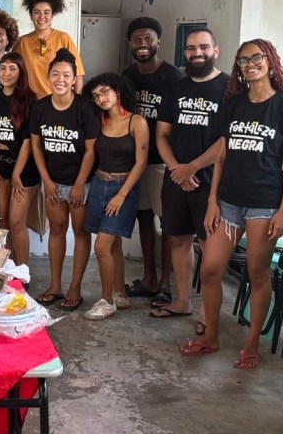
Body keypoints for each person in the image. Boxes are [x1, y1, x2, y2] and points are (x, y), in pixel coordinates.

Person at [180, 39, 283, 371]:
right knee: (209, 269)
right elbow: (221, 155)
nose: (249, 64)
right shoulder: (234, 104)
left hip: (265, 205)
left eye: (256, 58)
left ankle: (251, 344)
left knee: (257, 273)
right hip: (229, 204)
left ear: (269, 60)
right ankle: (211, 337)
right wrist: (212, 201)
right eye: (243, 60)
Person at [151, 28, 228, 324]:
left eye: (204, 47)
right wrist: (177, 170)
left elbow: (226, 141)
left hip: (212, 181)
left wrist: (192, 167)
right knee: (179, 240)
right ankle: (182, 301)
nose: (197, 52)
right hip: (176, 179)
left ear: (215, 51)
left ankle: (208, 315)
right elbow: (162, 136)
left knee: (210, 246)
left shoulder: (230, 89)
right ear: (184, 53)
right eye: (191, 48)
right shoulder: (176, 89)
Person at [121, 17, 184, 306]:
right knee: (143, 218)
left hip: (163, 161)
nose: (142, 44)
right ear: (130, 43)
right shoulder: (127, 76)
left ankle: (165, 284)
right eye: (137, 39)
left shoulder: (174, 77)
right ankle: (148, 278)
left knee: (167, 222)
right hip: (137, 161)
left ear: (158, 41)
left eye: (148, 39)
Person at [29, 49, 99, 312]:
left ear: (74, 80)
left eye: (66, 75)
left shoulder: (85, 108)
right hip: (52, 182)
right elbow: (36, 146)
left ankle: (75, 288)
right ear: (48, 77)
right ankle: (55, 286)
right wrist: (46, 181)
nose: (60, 79)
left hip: (80, 182)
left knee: (81, 232)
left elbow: (91, 150)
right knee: (57, 230)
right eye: (55, 74)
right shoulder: (40, 107)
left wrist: (80, 183)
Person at [81, 73, 148, 321]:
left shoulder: (137, 122)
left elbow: (140, 163)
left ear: (118, 91)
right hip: (99, 184)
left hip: (124, 187)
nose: (101, 98)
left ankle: (106, 301)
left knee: (101, 246)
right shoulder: (100, 122)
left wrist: (121, 195)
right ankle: (120, 294)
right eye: (96, 96)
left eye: (105, 92)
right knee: (114, 244)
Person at [0, 53, 39, 267]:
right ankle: (7, 267)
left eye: (12, 68)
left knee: (16, 222)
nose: (7, 73)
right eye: (3, 68)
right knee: (2, 221)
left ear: (21, 72)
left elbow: (29, 141)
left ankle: (22, 272)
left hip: (24, 172)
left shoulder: (29, 99)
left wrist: (16, 174)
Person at [13, 0, 85, 98]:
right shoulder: (23, 42)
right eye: (37, 12)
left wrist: (76, 102)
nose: (42, 16)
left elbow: (78, 74)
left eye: (46, 12)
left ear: (52, 16)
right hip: (29, 103)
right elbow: (14, 73)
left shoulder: (63, 38)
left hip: (58, 103)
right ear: (31, 16)